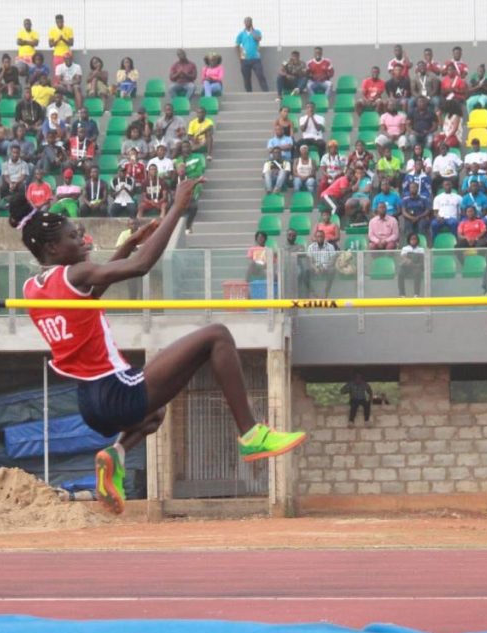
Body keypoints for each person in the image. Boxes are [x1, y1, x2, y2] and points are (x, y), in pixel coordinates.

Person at [17, 177, 303, 513]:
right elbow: (139, 268)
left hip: (90, 405)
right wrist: (178, 209)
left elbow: (96, 289)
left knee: (155, 413)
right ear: (52, 249)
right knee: (218, 335)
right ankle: (252, 435)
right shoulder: (76, 273)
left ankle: (115, 455)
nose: (82, 240)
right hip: (116, 390)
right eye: (73, 237)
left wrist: (129, 245)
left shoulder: (31, 288)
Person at [235, 16, 268, 93]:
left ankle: (266, 92)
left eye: (249, 21)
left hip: (256, 58)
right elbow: (237, 45)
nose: (248, 23)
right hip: (245, 59)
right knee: (246, 78)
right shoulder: (241, 34)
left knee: (260, 75)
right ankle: (249, 93)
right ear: (244, 23)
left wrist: (252, 31)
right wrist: (240, 56)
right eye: (246, 21)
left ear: (251, 22)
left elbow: (259, 39)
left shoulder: (257, 32)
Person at [304, 229, 337, 298]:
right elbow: (310, 261)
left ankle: (326, 291)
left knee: (332, 270)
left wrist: (325, 267)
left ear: (324, 237)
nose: (319, 238)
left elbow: (332, 260)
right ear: (315, 238)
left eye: (321, 236)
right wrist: (315, 268)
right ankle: (313, 293)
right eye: (318, 236)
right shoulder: (311, 247)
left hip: (326, 268)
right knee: (304, 274)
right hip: (315, 268)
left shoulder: (330, 246)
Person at [397, 233, 425, 297]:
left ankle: (416, 294)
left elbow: (422, 260)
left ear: (417, 240)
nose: (413, 240)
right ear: (409, 240)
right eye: (412, 239)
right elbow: (403, 258)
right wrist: (409, 261)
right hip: (407, 267)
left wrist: (413, 262)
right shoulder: (405, 248)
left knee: (418, 273)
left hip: (416, 267)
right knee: (400, 273)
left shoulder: (421, 249)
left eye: (415, 239)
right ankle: (402, 294)